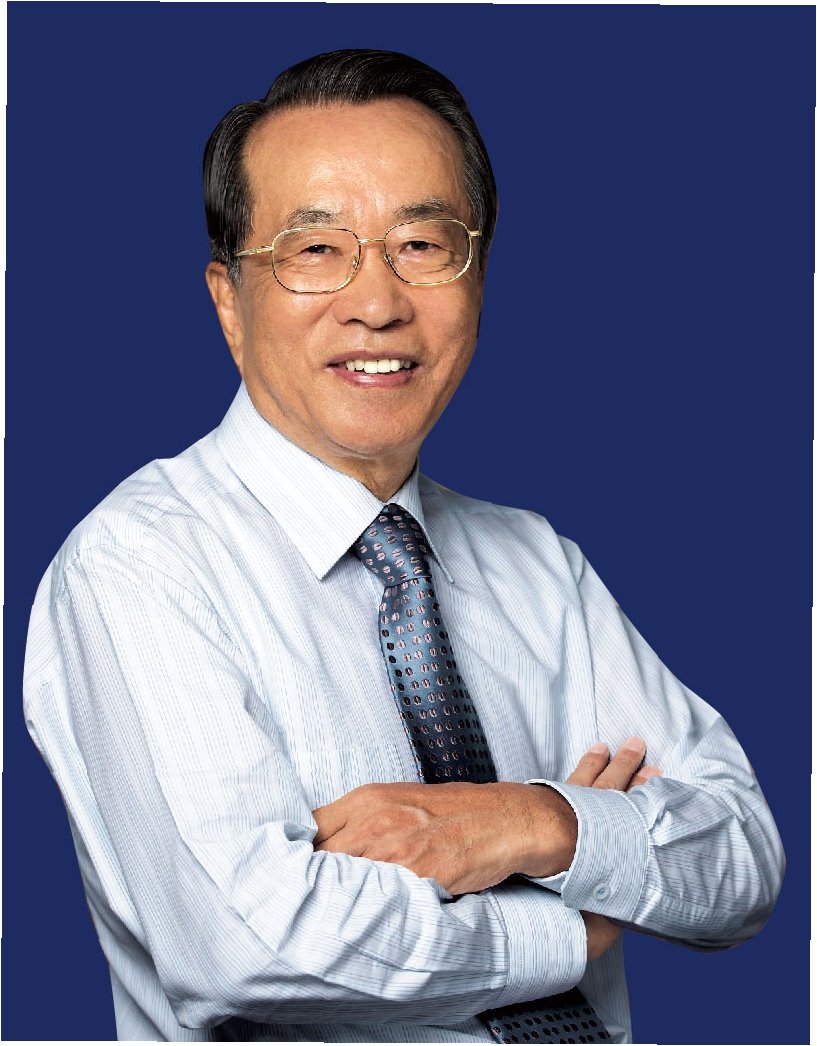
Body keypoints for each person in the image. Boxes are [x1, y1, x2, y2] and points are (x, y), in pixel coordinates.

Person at [23, 48, 784, 1044]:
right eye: (314, 249)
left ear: (478, 278)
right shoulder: (140, 568)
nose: (376, 302)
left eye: (422, 244)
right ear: (228, 302)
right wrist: (573, 920)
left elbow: (743, 856)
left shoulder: (537, 565)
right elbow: (248, 948)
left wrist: (530, 821)